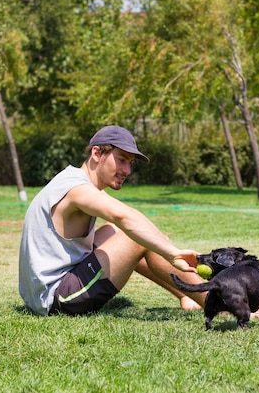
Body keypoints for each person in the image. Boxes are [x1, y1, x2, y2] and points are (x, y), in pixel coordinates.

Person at [18, 125, 206, 316]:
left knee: (123, 232)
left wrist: (162, 242)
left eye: (130, 163)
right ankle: (217, 303)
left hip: (45, 291)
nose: (127, 170)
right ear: (97, 153)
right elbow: (123, 216)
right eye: (121, 160)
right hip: (56, 298)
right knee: (133, 237)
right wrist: (173, 254)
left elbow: (128, 219)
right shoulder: (76, 189)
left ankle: (186, 295)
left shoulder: (74, 179)